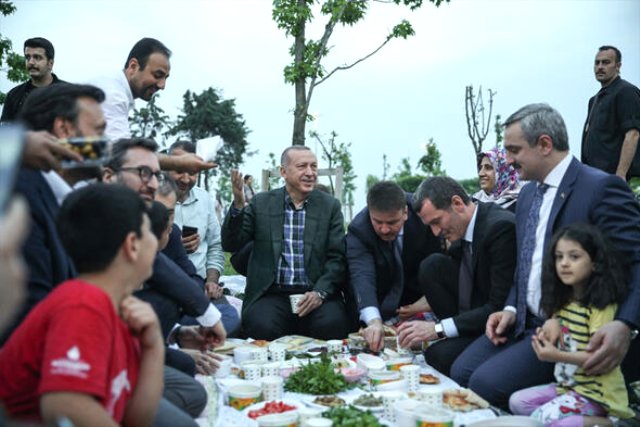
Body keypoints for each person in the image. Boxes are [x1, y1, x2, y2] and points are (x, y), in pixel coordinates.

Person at [451, 103, 640, 409]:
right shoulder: (527, 194)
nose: (507, 160)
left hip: (570, 329)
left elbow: (635, 259)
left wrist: (624, 324)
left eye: (514, 150)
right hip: (523, 321)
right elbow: (526, 261)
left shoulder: (600, 188)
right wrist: (510, 307)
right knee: (460, 371)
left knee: (484, 385)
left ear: (544, 144)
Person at [0, 184, 165, 426]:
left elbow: (135, 420)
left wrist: (154, 347)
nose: (156, 240)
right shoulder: (82, 303)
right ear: (132, 245)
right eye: (149, 231)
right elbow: (64, 407)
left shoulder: (120, 311)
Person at [1, 83, 107, 345]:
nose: (106, 143)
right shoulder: (22, 198)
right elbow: (30, 319)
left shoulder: (55, 199)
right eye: (99, 131)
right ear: (64, 129)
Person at [509, 223, 634, 426]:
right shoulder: (565, 301)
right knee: (518, 402)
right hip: (568, 387)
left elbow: (598, 357)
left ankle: (611, 422)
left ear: (595, 263)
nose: (564, 264)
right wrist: (548, 327)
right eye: (559, 257)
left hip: (597, 394)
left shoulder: (600, 307)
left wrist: (556, 355)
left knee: (540, 419)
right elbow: (558, 330)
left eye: (574, 257)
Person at [221, 146, 350, 340]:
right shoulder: (262, 203)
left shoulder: (329, 206)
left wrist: (320, 292)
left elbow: (337, 258)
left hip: (315, 292)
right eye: (302, 166)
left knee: (332, 324)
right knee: (260, 326)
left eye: (314, 166)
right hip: (273, 293)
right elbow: (231, 243)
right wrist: (239, 204)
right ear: (283, 172)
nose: (310, 173)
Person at [397, 176, 516, 376]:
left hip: (497, 323)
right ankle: (456, 335)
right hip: (472, 312)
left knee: (438, 355)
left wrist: (437, 329)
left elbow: (498, 307)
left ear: (457, 203)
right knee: (432, 266)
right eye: (430, 226)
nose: (435, 232)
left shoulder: (500, 228)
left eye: (437, 222)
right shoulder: (463, 231)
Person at [346, 181, 442, 351]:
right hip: (382, 298)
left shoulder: (425, 214)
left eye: (391, 222)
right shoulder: (359, 229)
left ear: (405, 212)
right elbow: (362, 275)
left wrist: (429, 300)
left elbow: (445, 260)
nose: (384, 229)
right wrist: (374, 321)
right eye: (377, 222)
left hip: (424, 294)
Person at [167, 141, 240, 335]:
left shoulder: (205, 199)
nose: (186, 179)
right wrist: (172, 246)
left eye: (192, 173)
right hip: (166, 287)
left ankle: (184, 332)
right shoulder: (153, 199)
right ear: (166, 166)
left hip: (199, 288)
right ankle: (182, 333)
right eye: (179, 170)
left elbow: (216, 245)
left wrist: (212, 281)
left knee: (231, 318)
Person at [581, 46, 640, 180]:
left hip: (615, 178)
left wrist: (621, 174)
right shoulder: (594, 100)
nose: (600, 67)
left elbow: (633, 134)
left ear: (618, 66)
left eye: (606, 62)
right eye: (597, 63)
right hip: (594, 178)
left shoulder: (626, 92)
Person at [1, 37, 66, 123]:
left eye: (37, 57)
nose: (31, 62)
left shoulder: (68, 93)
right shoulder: (14, 95)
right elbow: (6, 129)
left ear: (50, 63)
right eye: (28, 57)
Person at [472, 146, 521, 212]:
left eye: (488, 168)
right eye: (480, 168)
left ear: (503, 172)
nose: (481, 173)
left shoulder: (520, 204)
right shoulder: (474, 202)